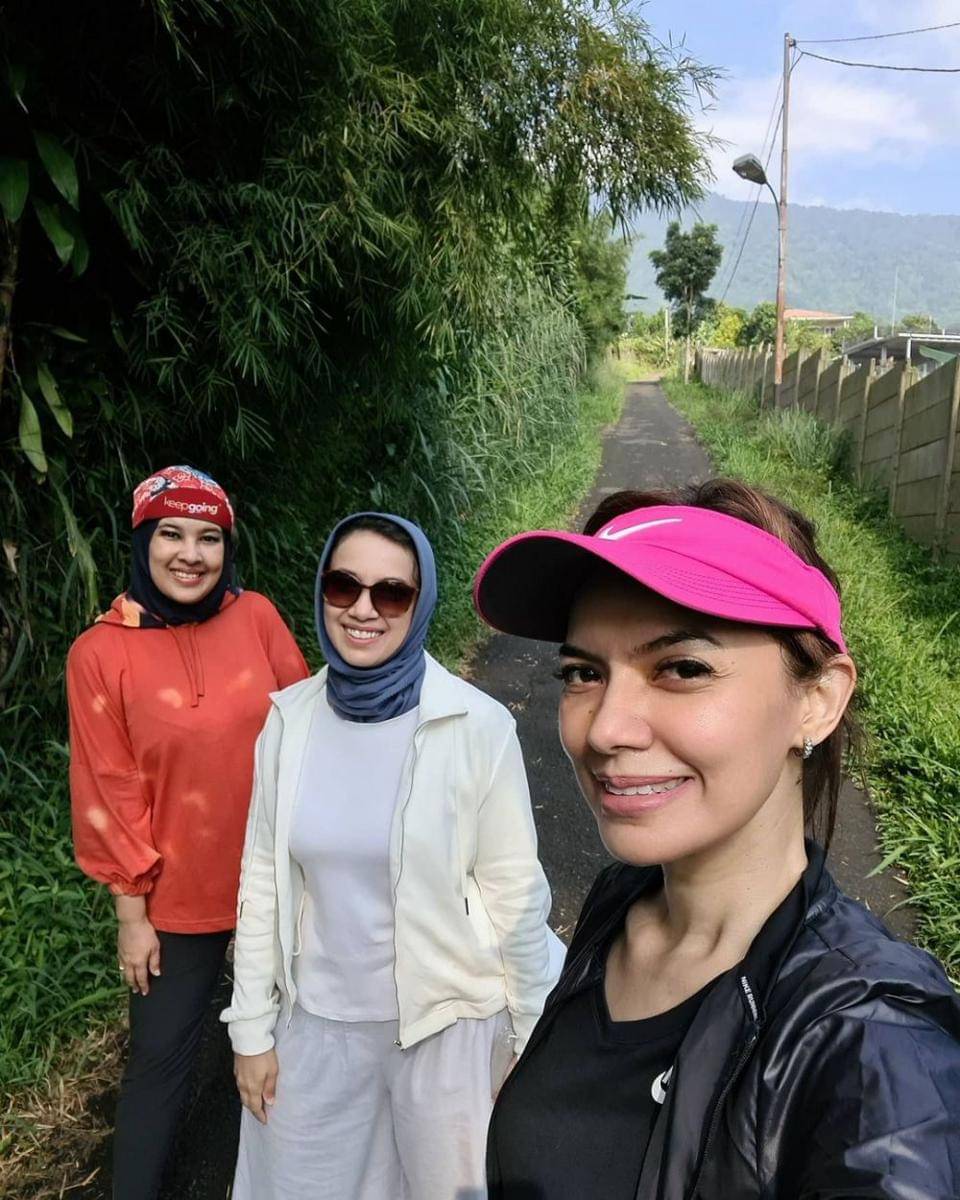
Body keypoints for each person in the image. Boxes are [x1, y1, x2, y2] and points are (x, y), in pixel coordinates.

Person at [474, 478, 960, 1200]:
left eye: (682, 668)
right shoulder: (624, 903)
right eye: (583, 673)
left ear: (818, 699)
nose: (605, 728)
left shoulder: (873, 1047)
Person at [223, 511, 559, 1200]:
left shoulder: (476, 725)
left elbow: (515, 892)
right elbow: (262, 881)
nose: (363, 609)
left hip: (445, 1029)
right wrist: (250, 1030)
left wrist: (529, 1037)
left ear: (420, 600)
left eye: (392, 593)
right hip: (317, 1023)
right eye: (344, 585)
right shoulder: (289, 720)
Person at [66, 465, 309, 1200]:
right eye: (172, 534)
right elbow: (109, 788)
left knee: (301, 1044)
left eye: (210, 537)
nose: (191, 554)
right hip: (177, 897)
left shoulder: (256, 618)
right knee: (161, 1061)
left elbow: (307, 728)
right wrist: (131, 914)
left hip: (281, 878)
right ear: (143, 541)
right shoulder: (100, 653)